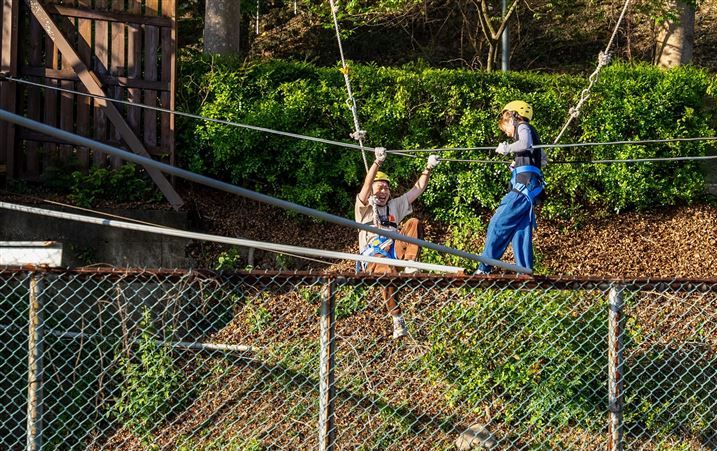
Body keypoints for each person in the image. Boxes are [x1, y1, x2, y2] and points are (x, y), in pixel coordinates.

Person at [355, 147, 440, 339]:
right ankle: (397, 318)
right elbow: (366, 186)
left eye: (387, 188)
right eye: (380, 188)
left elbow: (417, 190)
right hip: (374, 255)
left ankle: (410, 263)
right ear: (372, 192)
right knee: (388, 272)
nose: (384, 191)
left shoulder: (394, 206)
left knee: (413, 223)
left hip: (394, 248)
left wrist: (428, 167)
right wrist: (377, 162)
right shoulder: (364, 208)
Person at [476, 100, 547, 275]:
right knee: (520, 231)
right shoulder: (531, 133)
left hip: (523, 189)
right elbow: (542, 158)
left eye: (506, 127)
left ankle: (484, 267)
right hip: (530, 188)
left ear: (513, 117)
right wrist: (519, 164)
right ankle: (524, 272)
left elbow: (524, 144)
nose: (507, 133)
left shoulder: (523, 126)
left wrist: (508, 148)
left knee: (498, 223)